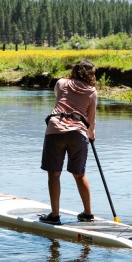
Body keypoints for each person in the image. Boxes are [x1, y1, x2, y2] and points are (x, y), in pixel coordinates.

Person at [39, 60, 97, 225]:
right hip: (78, 133)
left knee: (54, 174)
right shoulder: (92, 92)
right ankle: (87, 213)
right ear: (88, 74)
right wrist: (91, 135)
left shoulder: (61, 83)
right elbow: (91, 121)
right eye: (93, 73)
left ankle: (55, 216)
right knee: (80, 175)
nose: (94, 76)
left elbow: (61, 99)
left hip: (55, 129)